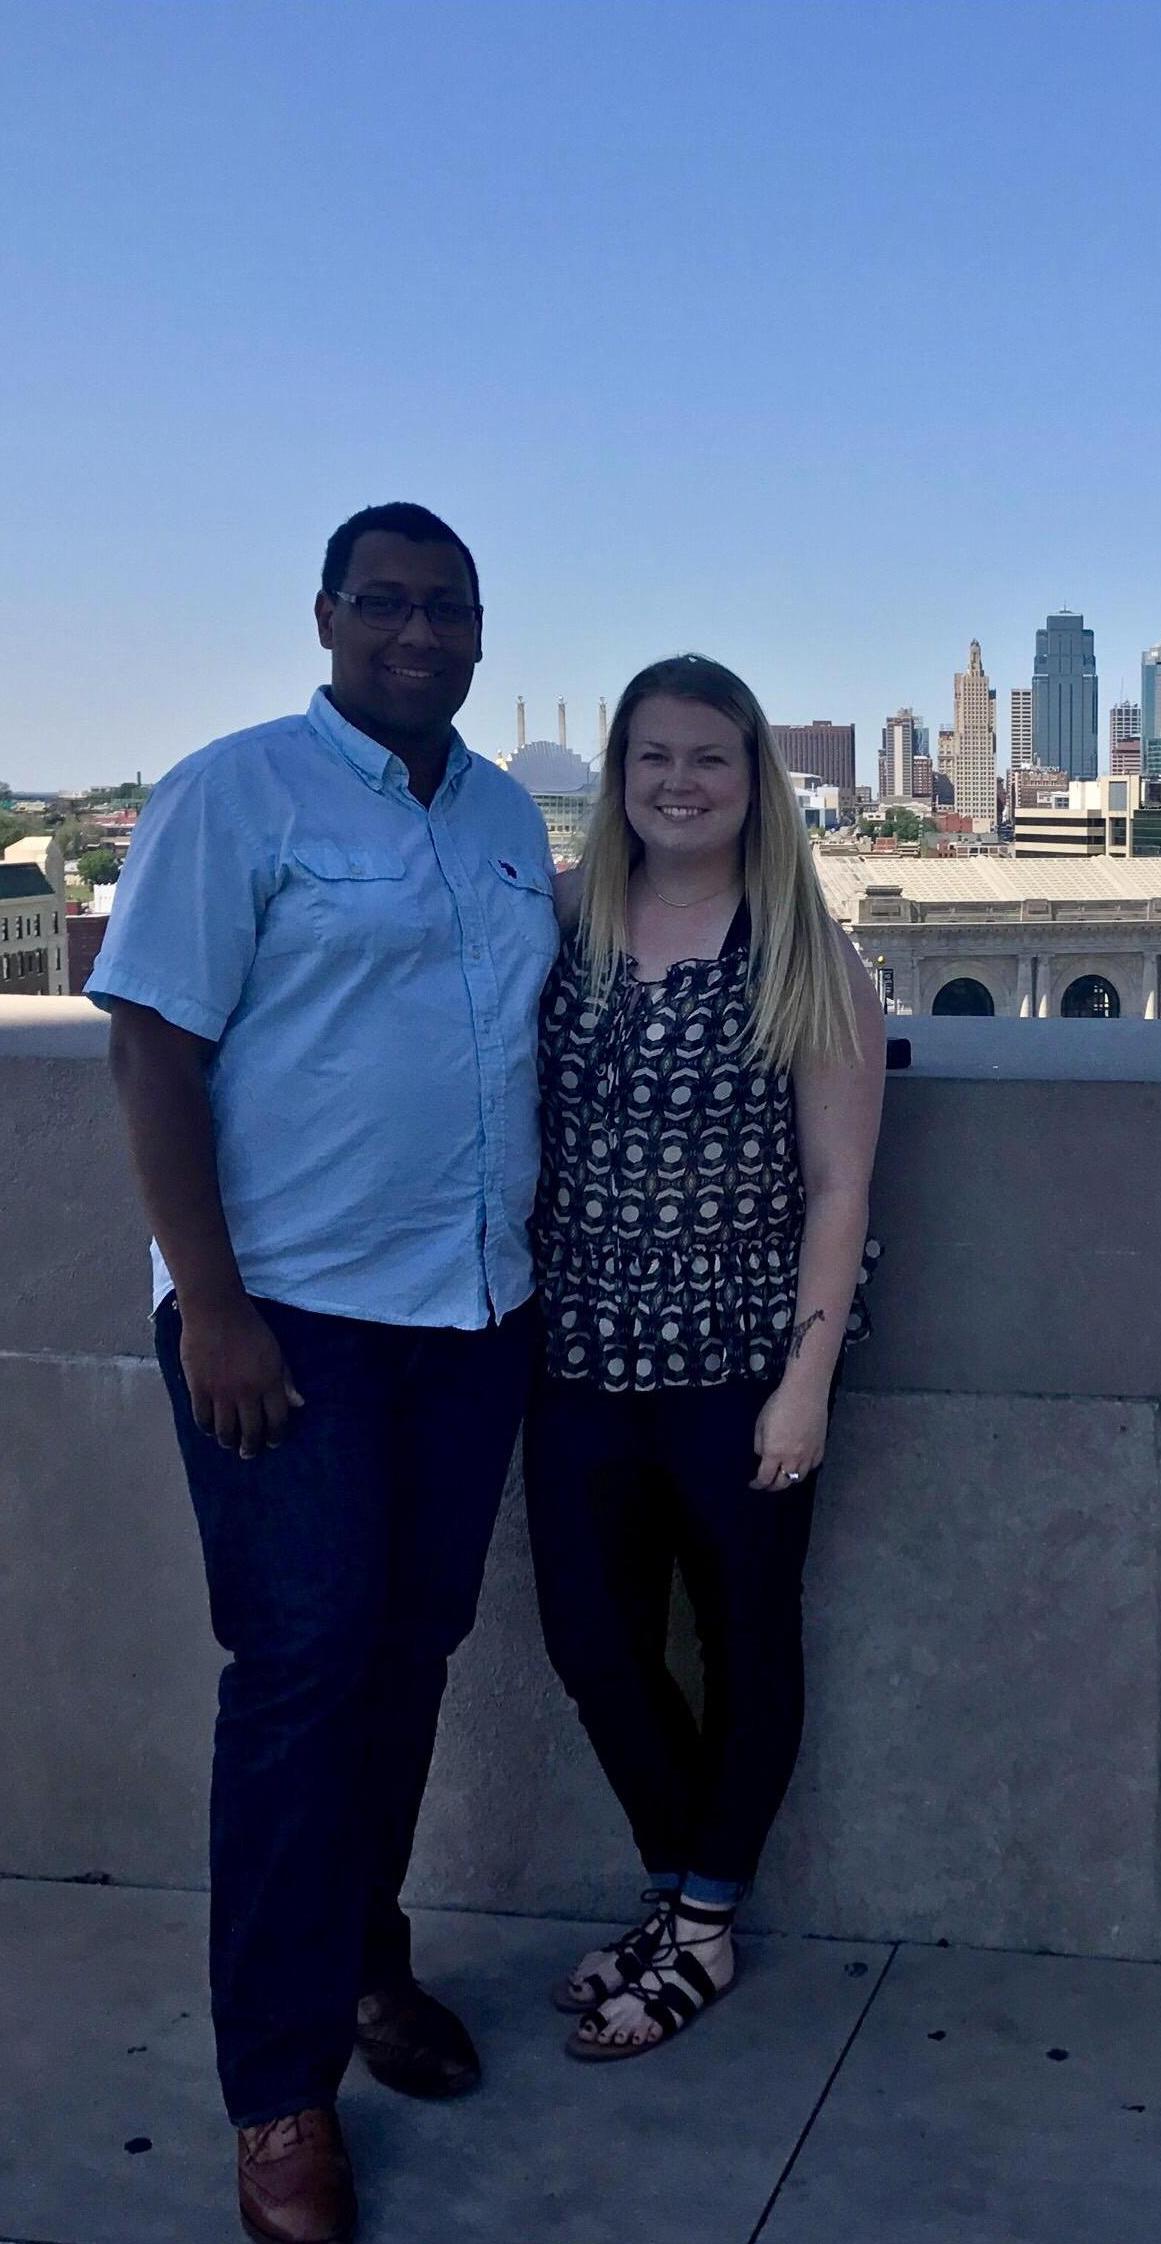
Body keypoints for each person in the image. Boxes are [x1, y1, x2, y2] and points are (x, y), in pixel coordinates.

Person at [90, 504, 556, 2244]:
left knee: (406, 1658)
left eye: (450, 610)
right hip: (286, 1325)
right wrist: (209, 1303)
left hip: (472, 1322)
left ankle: (367, 1961)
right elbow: (151, 1045)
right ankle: (280, 2095)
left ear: (482, 633)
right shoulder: (236, 793)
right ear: (328, 618)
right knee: (296, 1680)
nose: (419, 635)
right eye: (388, 605)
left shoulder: (509, 819)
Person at [525, 653, 885, 2060]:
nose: (679, 782)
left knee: (747, 1646)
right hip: (576, 1360)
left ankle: (697, 1922)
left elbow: (842, 1189)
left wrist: (806, 1385)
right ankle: (688, 1901)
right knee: (593, 1646)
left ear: (754, 784)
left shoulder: (805, 951)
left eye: (710, 759)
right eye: (652, 757)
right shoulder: (564, 926)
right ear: (617, 778)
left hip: (741, 1367)